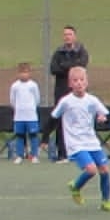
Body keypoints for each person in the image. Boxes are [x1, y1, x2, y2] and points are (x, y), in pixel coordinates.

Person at [52, 66, 110, 211]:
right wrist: (44, 138)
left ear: (86, 82)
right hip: (76, 144)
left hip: (91, 142)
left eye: (82, 80)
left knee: (104, 170)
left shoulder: (92, 100)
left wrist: (102, 117)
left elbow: (104, 114)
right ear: (70, 84)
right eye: (75, 80)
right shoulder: (66, 101)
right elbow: (54, 117)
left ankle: (106, 202)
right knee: (92, 170)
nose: (79, 83)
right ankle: (76, 186)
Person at [46, 25, 88, 162]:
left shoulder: (81, 51)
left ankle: (80, 152)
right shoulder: (58, 52)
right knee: (61, 121)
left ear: (74, 36)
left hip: (77, 93)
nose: (67, 37)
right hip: (61, 91)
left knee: (79, 120)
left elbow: (81, 65)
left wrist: (65, 66)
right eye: (65, 35)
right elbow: (54, 68)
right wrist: (70, 67)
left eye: (69, 34)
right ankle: (62, 154)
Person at [9, 60, 43, 162]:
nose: (24, 74)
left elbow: (37, 99)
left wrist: (31, 108)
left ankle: (34, 156)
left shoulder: (33, 85)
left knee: (33, 136)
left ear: (29, 73)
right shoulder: (15, 86)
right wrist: (18, 108)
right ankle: (20, 155)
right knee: (20, 136)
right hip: (19, 116)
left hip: (31, 116)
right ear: (18, 73)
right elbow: (12, 100)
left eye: (26, 72)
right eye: (21, 72)